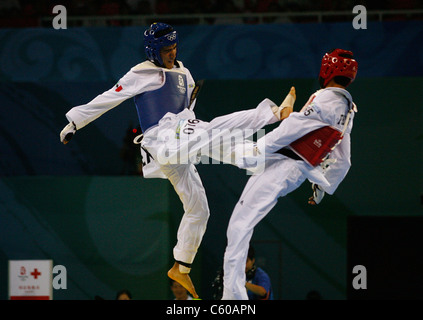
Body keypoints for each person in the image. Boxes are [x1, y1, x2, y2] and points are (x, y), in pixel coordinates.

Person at [59, 22, 295, 299]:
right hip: (163, 138)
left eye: (174, 48)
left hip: (181, 139)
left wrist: (189, 108)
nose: (172, 54)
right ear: (153, 51)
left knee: (200, 206)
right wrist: (74, 121)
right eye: (166, 50)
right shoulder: (140, 73)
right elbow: (109, 97)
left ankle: (181, 265)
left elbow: (186, 110)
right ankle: (274, 113)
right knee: (213, 132)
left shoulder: (185, 73)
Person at [222, 48, 358, 300]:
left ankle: (234, 297)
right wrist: (322, 188)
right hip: (291, 163)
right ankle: (186, 143)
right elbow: (343, 160)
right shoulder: (347, 111)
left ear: (326, 70)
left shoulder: (327, 100)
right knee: (231, 152)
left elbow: (291, 128)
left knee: (240, 224)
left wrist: (258, 149)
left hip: (285, 165)